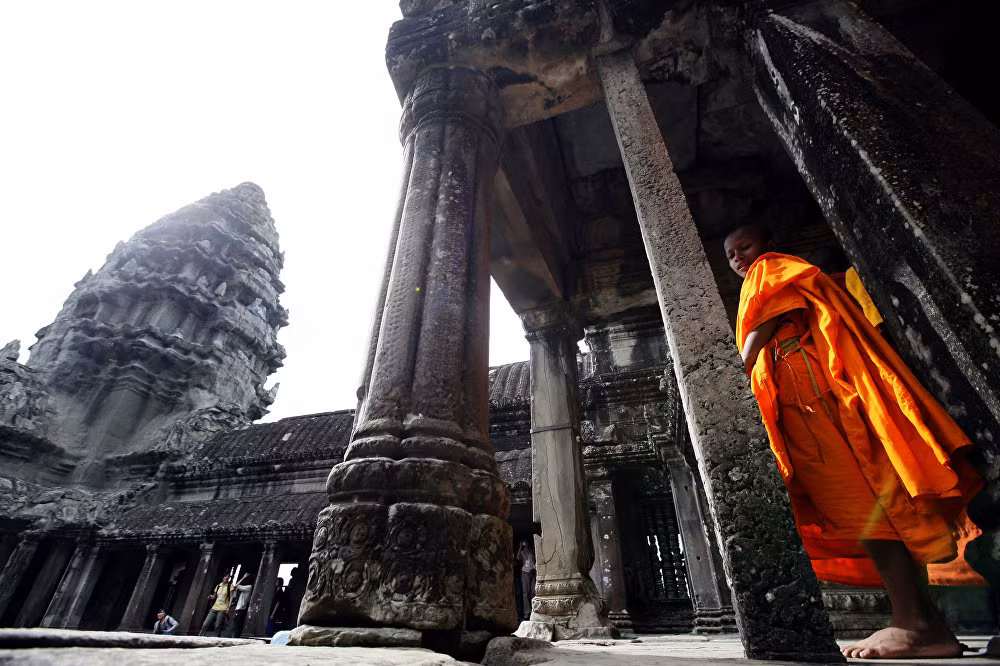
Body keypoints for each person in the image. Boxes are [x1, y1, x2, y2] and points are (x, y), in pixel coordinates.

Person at [724, 224, 982, 660]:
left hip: (822, 406)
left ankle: (914, 624)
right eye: (730, 255)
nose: (737, 259)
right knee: (873, 512)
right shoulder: (763, 279)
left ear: (769, 245)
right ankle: (925, 625)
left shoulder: (770, 269)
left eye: (743, 247)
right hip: (813, 408)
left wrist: (728, 377)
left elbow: (760, 330)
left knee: (870, 511)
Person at [516, 539, 536, 621]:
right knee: (525, 593)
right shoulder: (522, 551)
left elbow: (534, 560)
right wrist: (520, 547)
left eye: (526, 542)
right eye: (524, 542)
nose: (525, 543)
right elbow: (518, 558)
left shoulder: (531, 551)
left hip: (532, 572)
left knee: (533, 592)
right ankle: (526, 613)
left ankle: (534, 611)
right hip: (524, 573)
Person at [227, 573, 252, 638]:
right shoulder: (247, 588)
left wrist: (243, 578)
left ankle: (234, 638)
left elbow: (236, 585)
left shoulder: (249, 587)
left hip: (240, 608)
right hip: (240, 608)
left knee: (236, 627)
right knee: (236, 626)